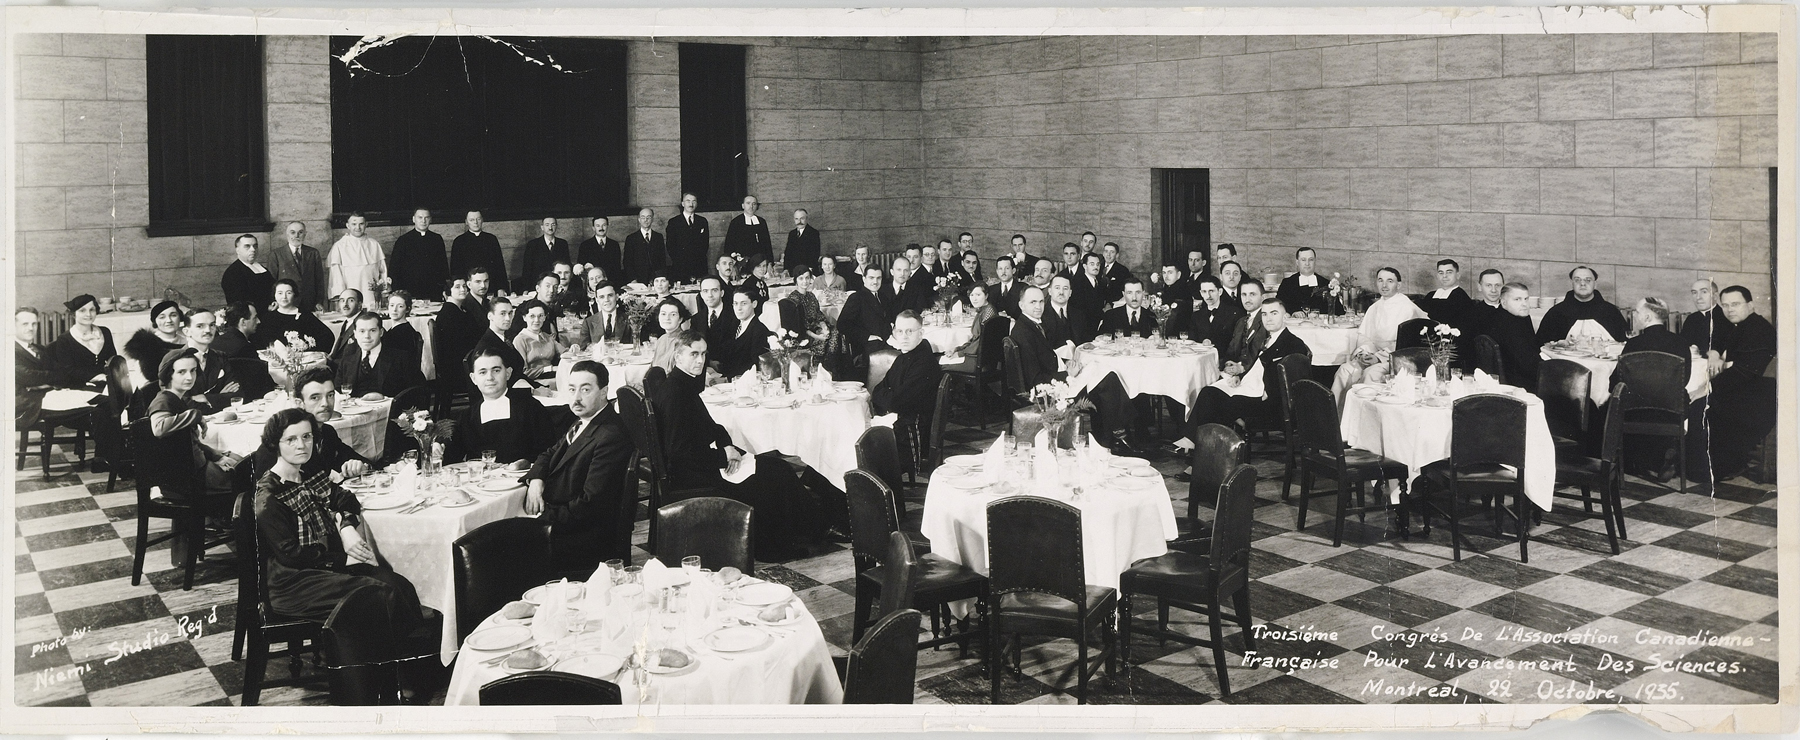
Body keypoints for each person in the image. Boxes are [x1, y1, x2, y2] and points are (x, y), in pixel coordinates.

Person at [253, 407, 435, 678]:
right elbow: (290, 554)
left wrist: (347, 526)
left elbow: (346, 498)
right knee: (378, 596)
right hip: (292, 582)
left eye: (307, 437)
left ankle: (409, 668)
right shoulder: (269, 496)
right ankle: (385, 678)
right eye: (291, 440)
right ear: (275, 444)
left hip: (322, 567)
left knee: (401, 585)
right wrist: (343, 559)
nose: (302, 445)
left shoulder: (308, 472)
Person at [645, 331, 819, 559]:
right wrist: (723, 457)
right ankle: (783, 544)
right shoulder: (676, 393)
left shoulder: (681, 384)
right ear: (677, 357)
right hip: (692, 473)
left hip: (701, 461)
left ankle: (801, 534)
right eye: (693, 354)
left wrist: (727, 445)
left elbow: (710, 426)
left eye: (703, 354)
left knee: (778, 468)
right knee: (775, 474)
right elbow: (678, 453)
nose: (700, 360)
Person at [522, 360, 636, 578]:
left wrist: (542, 519)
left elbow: (590, 505)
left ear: (604, 393)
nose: (576, 398)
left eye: (585, 389)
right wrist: (536, 480)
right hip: (569, 521)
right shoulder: (584, 421)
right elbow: (548, 454)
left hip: (584, 538)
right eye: (572, 389)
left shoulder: (610, 435)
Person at [1008, 286, 1142, 453]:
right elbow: (1035, 379)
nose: (1038, 306)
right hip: (1048, 390)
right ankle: (1117, 435)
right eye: (1033, 302)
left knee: (1105, 372)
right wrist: (1067, 374)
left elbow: (1044, 358)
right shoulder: (1023, 332)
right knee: (1106, 382)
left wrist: (1067, 363)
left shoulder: (1031, 325)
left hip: (1054, 378)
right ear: (1021, 305)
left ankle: (1110, 436)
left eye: (1041, 301)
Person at [1184, 296, 1313, 441]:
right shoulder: (1268, 339)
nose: (1268, 318)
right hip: (1251, 388)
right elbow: (1256, 368)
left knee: (1220, 404)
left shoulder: (1293, 343)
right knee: (1209, 392)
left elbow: (1295, 380)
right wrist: (1240, 377)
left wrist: (1267, 391)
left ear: (1285, 316)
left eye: (1274, 313)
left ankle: (1212, 449)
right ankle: (1194, 442)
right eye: (1264, 314)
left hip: (1271, 400)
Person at [147, 348, 243, 500]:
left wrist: (216, 456)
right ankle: (226, 518)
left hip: (193, 467)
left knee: (242, 462)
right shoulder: (163, 400)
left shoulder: (178, 400)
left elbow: (191, 442)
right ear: (168, 375)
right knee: (244, 478)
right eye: (181, 372)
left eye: (193, 371)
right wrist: (195, 414)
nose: (190, 377)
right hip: (184, 478)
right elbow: (158, 428)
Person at [250, 366, 372, 480]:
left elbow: (363, 462)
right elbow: (264, 493)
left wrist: (361, 466)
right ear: (299, 403)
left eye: (330, 395)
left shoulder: (327, 432)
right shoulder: (281, 440)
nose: (325, 403)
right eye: (315, 397)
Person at [446, 346, 560, 466]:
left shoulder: (530, 407)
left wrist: (526, 463)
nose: (490, 377)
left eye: (496, 370)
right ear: (473, 378)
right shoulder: (467, 417)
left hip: (523, 479)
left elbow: (548, 451)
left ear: (508, 373)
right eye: (483, 372)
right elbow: (452, 457)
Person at [1707, 286, 1775, 481]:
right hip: (1750, 390)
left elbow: (1744, 373)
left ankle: (1726, 466)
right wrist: (1715, 354)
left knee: (1704, 405)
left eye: (1735, 304)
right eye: (1725, 305)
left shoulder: (1757, 330)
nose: (1729, 310)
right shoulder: (1746, 325)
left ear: (1750, 305)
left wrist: (1709, 388)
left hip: (1758, 399)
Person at [1332, 267, 1428, 398]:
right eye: (1380, 280)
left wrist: (1378, 358)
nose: (1384, 285)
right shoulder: (1374, 308)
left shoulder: (1408, 308)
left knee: (1371, 374)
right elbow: (1365, 337)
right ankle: (1337, 417)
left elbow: (1406, 346)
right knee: (1344, 371)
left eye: (1390, 281)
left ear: (1398, 285)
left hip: (1396, 359)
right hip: (1373, 355)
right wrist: (1364, 353)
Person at [870, 313, 942, 447]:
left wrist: (888, 397)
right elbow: (877, 391)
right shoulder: (902, 358)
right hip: (904, 422)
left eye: (910, 331)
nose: (904, 336)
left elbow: (895, 402)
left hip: (914, 434)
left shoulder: (924, 362)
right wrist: (890, 397)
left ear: (921, 333)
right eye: (900, 331)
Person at [333, 311, 424, 398]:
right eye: (362, 331)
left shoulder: (401, 359)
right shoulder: (347, 361)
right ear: (355, 334)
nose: (367, 336)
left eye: (372, 331)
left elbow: (419, 391)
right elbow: (337, 394)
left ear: (381, 332)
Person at [1536, 266, 1629, 344]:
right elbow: (1543, 345)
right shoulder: (1556, 313)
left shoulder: (1611, 312)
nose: (1582, 284)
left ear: (1595, 284)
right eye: (1577, 280)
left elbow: (1624, 345)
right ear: (1571, 283)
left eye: (1588, 280)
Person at [47, 294, 117, 388]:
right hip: (79, 385)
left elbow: (112, 359)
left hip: (105, 381)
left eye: (92, 310)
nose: (88, 314)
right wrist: (97, 377)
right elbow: (69, 370)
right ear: (73, 314)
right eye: (82, 310)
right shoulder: (64, 340)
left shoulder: (105, 332)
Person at [1484, 282, 1542, 392]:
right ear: (1504, 303)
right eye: (1517, 299)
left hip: (1517, 377)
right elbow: (1527, 365)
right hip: (1519, 385)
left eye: (1526, 299)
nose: (1524, 304)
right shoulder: (1508, 324)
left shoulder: (1515, 316)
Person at [834, 266, 892, 372]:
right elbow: (842, 324)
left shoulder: (883, 297)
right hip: (866, 346)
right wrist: (867, 336)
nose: (875, 281)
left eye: (878, 278)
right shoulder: (857, 297)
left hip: (886, 341)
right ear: (864, 279)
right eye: (871, 278)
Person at [180, 308, 240, 409]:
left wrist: (205, 398)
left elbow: (237, 396)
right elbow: (181, 404)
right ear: (186, 331)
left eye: (212, 325)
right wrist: (219, 397)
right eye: (200, 326)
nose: (208, 330)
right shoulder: (176, 360)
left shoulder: (220, 356)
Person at [16, 308, 63, 431]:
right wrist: (50, 380)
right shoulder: (7, 349)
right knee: (92, 410)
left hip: (43, 397)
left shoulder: (39, 349)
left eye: (34, 324)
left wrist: (41, 384)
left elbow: (61, 372)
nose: (31, 328)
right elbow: (27, 376)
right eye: (25, 324)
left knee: (97, 404)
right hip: (24, 405)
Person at [260, 280, 336, 354]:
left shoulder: (305, 315)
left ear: (294, 294)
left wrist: (313, 354)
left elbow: (328, 336)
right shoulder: (268, 318)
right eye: (280, 293)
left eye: (288, 293)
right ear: (274, 295)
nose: (284, 297)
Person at [710, 290, 773, 379]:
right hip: (726, 376)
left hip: (744, 382)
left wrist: (725, 379)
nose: (738, 308)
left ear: (754, 304)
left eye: (743, 304)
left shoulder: (759, 330)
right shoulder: (733, 325)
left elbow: (756, 367)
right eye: (735, 304)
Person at [388, 209, 448, 300]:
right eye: (420, 217)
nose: (423, 221)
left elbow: (443, 265)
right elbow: (394, 268)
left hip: (433, 290)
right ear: (413, 219)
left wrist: (444, 287)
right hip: (410, 290)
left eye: (426, 218)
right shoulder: (403, 240)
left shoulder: (437, 239)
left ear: (430, 220)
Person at [327, 212, 388, 301]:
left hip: (371, 295)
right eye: (354, 224)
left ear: (366, 224)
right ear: (348, 225)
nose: (358, 228)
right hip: (350, 295)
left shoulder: (374, 244)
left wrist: (383, 291)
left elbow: (383, 271)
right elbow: (336, 276)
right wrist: (341, 297)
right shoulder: (339, 246)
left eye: (361, 224)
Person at [124, 300, 187, 386]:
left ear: (180, 317)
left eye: (173, 315)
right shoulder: (146, 344)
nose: (168, 320)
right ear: (155, 322)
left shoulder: (187, 341)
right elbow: (142, 381)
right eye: (162, 317)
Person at [1168, 275, 1241, 348]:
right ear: (1201, 293)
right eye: (1204, 292)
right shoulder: (1196, 316)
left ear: (1220, 292)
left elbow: (1235, 344)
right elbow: (1192, 342)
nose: (1208, 296)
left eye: (1211, 291)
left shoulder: (1233, 313)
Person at [270, 221, 328, 312]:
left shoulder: (313, 253)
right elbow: (272, 281)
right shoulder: (276, 254)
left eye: (300, 232)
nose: (296, 235)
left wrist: (319, 301)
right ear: (287, 234)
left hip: (309, 303)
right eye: (293, 232)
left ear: (305, 234)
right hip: (286, 304)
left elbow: (319, 280)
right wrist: (274, 301)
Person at [450, 211, 507, 293]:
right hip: (468, 289)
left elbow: (499, 266)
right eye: (472, 220)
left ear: (482, 220)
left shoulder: (491, 239)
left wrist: (501, 288)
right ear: (466, 222)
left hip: (491, 287)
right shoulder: (459, 241)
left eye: (478, 219)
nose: (475, 222)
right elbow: (456, 270)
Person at [1275, 247, 1343, 315]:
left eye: (1311, 260)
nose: (1307, 263)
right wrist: (1293, 313)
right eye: (1303, 260)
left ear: (1315, 261)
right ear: (1297, 262)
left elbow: (1339, 311)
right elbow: (1277, 308)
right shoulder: (1287, 283)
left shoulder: (1326, 283)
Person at [473, 298, 528, 381]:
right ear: (490, 316)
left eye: (510, 313)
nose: (508, 318)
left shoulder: (504, 340)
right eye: (502, 313)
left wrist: (537, 387)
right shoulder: (487, 346)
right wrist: (532, 391)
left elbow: (518, 374)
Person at [515, 217, 571, 294]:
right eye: (547, 225)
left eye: (553, 224)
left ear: (556, 226)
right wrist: (526, 289)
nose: (550, 227)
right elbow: (527, 269)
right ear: (542, 227)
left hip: (557, 286)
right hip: (538, 286)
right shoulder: (533, 244)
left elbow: (567, 265)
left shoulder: (562, 244)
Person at [510, 299, 563, 381]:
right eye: (532, 316)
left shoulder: (548, 337)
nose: (536, 320)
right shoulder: (520, 340)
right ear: (524, 318)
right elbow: (522, 372)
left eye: (541, 316)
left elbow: (564, 352)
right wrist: (550, 369)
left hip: (553, 377)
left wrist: (574, 349)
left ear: (545, 318)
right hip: (533, 382)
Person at [1415, 258, 1475, 328]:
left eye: (1449, 272)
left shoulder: (1462, 297)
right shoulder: (1430, 295)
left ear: (1458, 275)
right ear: (1437, 276)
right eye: (1441, 273)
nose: (1444, 276)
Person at [778, 269, 832, 347]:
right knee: (829, 343)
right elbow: (800, 326)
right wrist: (817, 337)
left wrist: (824, 327)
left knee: (835, 334)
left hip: (816, 328)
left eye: (807, 278)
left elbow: (818, 314)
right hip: (804, 335)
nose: (805, 281)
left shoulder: (811, 296)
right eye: (801, 278)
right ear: (795, 280)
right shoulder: (793, 299)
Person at [946, 283, 1000, 361]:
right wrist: (957, 349)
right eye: (971, 295)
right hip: (976, 354)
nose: (974, 299)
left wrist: (960, 353)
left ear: (986, 296)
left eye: (978, 295)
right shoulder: (982, 310)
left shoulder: (989, 311)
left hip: (980, 359)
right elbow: (975, 339)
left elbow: (982, 341)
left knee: (941, 365)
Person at [221, 233, 276, 308]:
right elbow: (238, 302)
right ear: (237, 250)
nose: (253, 249)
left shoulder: (261, 267)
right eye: (247, 246)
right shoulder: (233, 273)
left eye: (255, 246)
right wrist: (266, 307)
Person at [666, 193, 710, 282]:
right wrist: (680, 261)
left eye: (694, 201)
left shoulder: (702, 221)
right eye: (688, 201)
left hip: (699, 266)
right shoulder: (674, 222)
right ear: (683, 204)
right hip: (681, 267)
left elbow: (705, 244)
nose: (691, 204)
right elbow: (670, 246)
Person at [1680, 278, 1729, 354]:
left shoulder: (1727, 317)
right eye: (1694, 293)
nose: (1698, 297)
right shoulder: (1691, 319)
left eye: (1704, 292)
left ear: (1715, 296)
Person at [722, 195, 774, 266]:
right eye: (748, 203)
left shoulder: (762, 222)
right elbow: (729, 244)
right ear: (743, 205)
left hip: (759, 262)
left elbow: (767, 244)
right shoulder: (736, 222)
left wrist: (770, 262)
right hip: (742, 263)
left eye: (754, 204)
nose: (751, 206)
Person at [576, 282, 632, 347]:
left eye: (610, 295)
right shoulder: (588, 323)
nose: (606, 300)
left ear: (617, 297)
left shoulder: (629, 320)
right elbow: (583, 350)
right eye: (602, 297)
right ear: (597, 300)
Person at [1045, 274, 1094, 345]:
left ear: (1070, 293)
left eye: (1065, 288)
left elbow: (1086, 341)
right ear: (1049, 291)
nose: (1061, 292)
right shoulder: (1041, 314)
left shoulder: (1079, 315)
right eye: (1057, 288)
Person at [1225, 279, 1267, 360]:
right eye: (1244, 294)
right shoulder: (1240, 322)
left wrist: (1241, 367)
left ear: (1263, 297)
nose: (1247, 299)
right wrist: (1227, 364)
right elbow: (1231, 352)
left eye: (1252, 294)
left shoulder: (1267, 321)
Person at [577, 215, 624, 287]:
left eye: (604, 225)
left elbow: (617, 268)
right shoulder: (585, 245)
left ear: (607, 226)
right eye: (598, 226)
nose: (601, 228)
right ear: (593, 228)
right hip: (593, 285)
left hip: (610, 284)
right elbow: (581, 267)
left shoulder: (614, 245)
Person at [881, 256, 932, 321]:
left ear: (909, 273)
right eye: (899, 270)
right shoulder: (882, 289)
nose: (902, 274)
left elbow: (919, 312)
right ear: (892, 272)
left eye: (906, 270)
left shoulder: (916, 290)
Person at [381, 292, 424, 362]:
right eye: (391, 305)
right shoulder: (398, 329)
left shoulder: (402, 333)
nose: (394, 309)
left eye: (400, 306)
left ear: (407, 309)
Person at [692, 276, 735, 344]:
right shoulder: (696, 319)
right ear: (701, 294)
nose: (710, 295)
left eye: (714, 290)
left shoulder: (735, 315)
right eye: (705, 291)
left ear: (722, 293)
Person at [327, 289, 364, 358]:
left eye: (351, 300)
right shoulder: (348, 321)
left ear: (359, 304)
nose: (345, 304)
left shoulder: (364, 323)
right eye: (342, 300)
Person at [1071, 252, 1108, 322]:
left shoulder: (1100, 283)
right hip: (1083, 325)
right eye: (1092, 264)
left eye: (1098, 264)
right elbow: (1080, 309)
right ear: (1085, 266)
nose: (1096, 267)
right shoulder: (1077, 283)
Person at [782, 209, 821, 275]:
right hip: (793, 271)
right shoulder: (792, 234)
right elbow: (788, 253)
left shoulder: (813, 233)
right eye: (796, 219)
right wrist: (786, 269)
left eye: (802, 218)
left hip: (808, 271)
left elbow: (815, 254)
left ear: (807, 219)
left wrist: (808, 270)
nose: (799, 221)